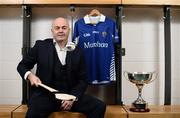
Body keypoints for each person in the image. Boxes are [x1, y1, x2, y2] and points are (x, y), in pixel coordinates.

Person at [17, 17, 106, 118]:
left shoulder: (78, 51)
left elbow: (83, 80)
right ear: (52, 31)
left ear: (69, 30)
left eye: (64, 28)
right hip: (45, 97)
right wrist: (30, 76)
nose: (60, 31)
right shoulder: (41, 46)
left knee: (99, 106)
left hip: (70, 96)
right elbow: (22, 65)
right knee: (33, 113)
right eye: (57, 28)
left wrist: (72, 97)